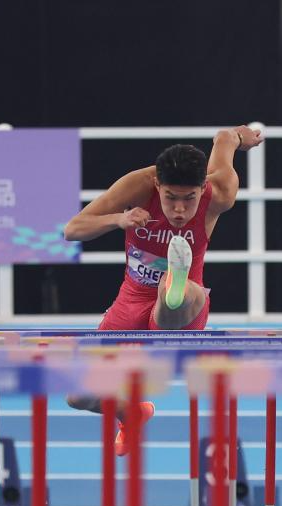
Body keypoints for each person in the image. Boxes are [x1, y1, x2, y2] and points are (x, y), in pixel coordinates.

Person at [62, 125, 264, 454]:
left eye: (189, 198)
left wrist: (238, 137)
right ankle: (132, 413)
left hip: (186, 304)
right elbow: (73, 229)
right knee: (79, 396)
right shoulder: (138, 185)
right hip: (130, 300)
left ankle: (174, 283)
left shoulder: (220, 191)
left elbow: (225, 140)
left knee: (178, 295)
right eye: (170, 198)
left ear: (203, 187)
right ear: (158, 185)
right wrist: (118, 220)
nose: (180, 210)